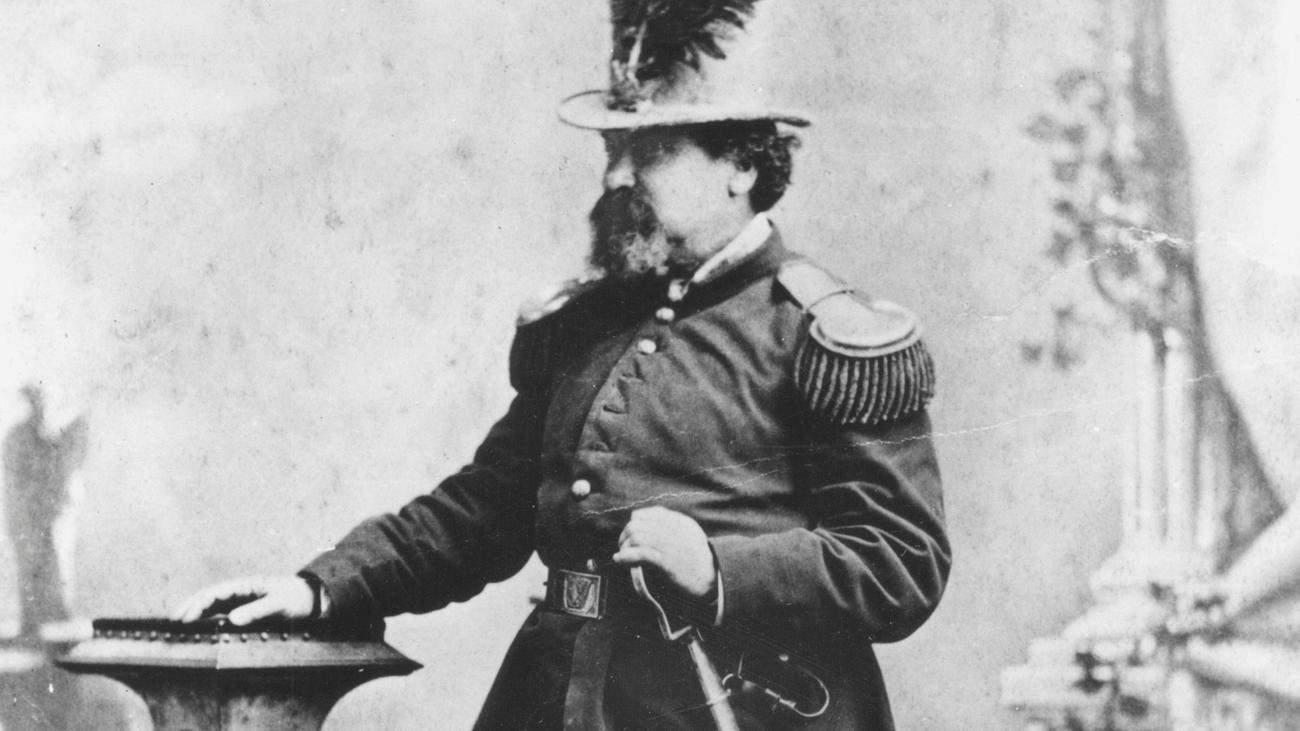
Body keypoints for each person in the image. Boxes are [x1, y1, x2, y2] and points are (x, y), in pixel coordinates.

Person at [175, 1, 950, 728]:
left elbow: (901, 559)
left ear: (741, 167)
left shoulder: (823, 335)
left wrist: (719, 569)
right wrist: (322, 586)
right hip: (556, 694)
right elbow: (485, 508)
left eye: (650, 150)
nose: (616, 176)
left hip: (735, 704)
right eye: (614, 149)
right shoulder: (586, 323)